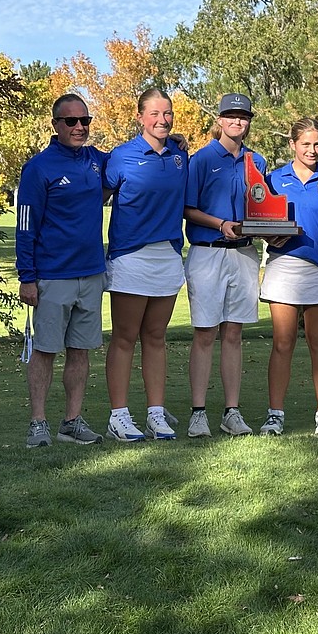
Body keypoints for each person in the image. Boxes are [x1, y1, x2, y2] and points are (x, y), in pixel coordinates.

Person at [15, 93, 108, 447]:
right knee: (45, 350)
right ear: (55, 125)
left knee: (80, 351)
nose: (80, 127)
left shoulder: (97, 161)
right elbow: (26, 225)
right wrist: (27, 277)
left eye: (85, 121)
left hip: (91, 273)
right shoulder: (39, 167)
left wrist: (170, 141)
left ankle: (72, 421)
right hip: (53, 275)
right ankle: (38, 423)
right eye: (71, 121)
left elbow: (129, 159)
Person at [103, 88, 188, 441]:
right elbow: (95, 197)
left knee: (155, 337)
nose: (162, 120)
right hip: (130, 256)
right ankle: (118, 416)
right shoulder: (120, 157)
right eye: (154, 114)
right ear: (140, 117)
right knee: (124, 338)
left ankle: (155, 413)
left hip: (166, 256)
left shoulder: (180, 156)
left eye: (167, 114)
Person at [181, 93, 264, 437]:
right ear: (219, 120)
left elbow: (263, 206)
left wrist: (268, 229)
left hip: (243, 254)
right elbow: (187, 208)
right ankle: (198, 412)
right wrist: (220, 224)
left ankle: (232, 412)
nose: (237, 122)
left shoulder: (256, 160)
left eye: (243, 117)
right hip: (207, 251)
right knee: (205, 333)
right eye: (230, 116)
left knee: (234, 333)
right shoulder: (201, 159)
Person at [258, 117, 318, 436]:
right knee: (283, 342)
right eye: (306, 144)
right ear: (293, 144)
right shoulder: (274, 178)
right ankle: (275, 415)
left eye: (317, 144)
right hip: (284, 266)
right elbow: (263, 219)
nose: (312, 149)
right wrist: (272, 237)